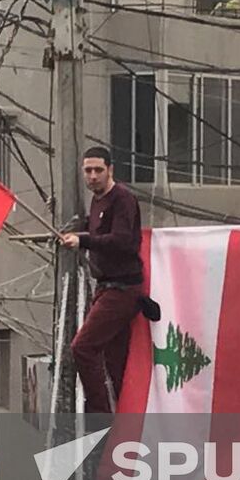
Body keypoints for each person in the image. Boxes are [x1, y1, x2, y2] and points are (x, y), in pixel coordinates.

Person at [63, 146, 144, 413]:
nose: (93, 176)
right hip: (106, 286)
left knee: (83, 347)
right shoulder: (98, 201)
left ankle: (98, 416)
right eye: (88, 171)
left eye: (99, 170)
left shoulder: (122, 198)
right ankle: (127, 419)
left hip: (122, 289)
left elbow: (122, 241)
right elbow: (95, 229)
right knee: (115, 362)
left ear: (110, 170)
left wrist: (83, 240)